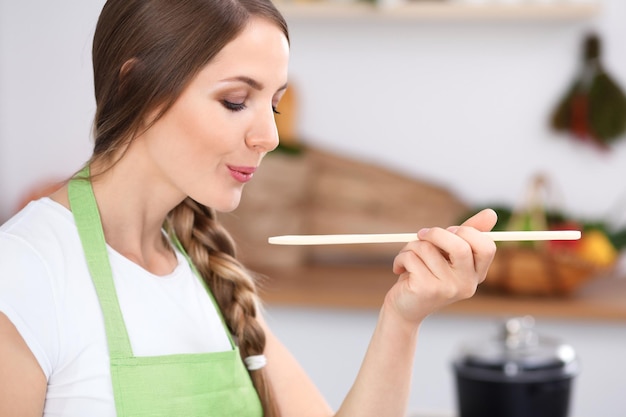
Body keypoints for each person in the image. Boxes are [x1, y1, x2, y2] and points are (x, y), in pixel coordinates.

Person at [0, 0, 498, 416]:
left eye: (274, 104)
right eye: (236, 101)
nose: (270, 137)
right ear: (135, 88)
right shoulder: (25, 270)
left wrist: (403, 317)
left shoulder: (206, 267)